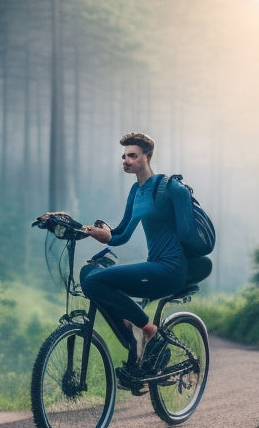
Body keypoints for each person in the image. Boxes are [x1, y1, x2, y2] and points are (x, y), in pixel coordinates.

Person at [79, 132, 209, 382]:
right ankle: (138, 344)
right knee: (93, 280)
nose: (125, 160)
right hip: (155, 266)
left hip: (171, 269)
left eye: (132, 155)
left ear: (147, 156)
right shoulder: (135, 191)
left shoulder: (171, 188)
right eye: (124, 156)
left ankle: (149, 332)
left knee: (96, 282)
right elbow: (122, 234)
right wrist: (99, 234)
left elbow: (188, 235)